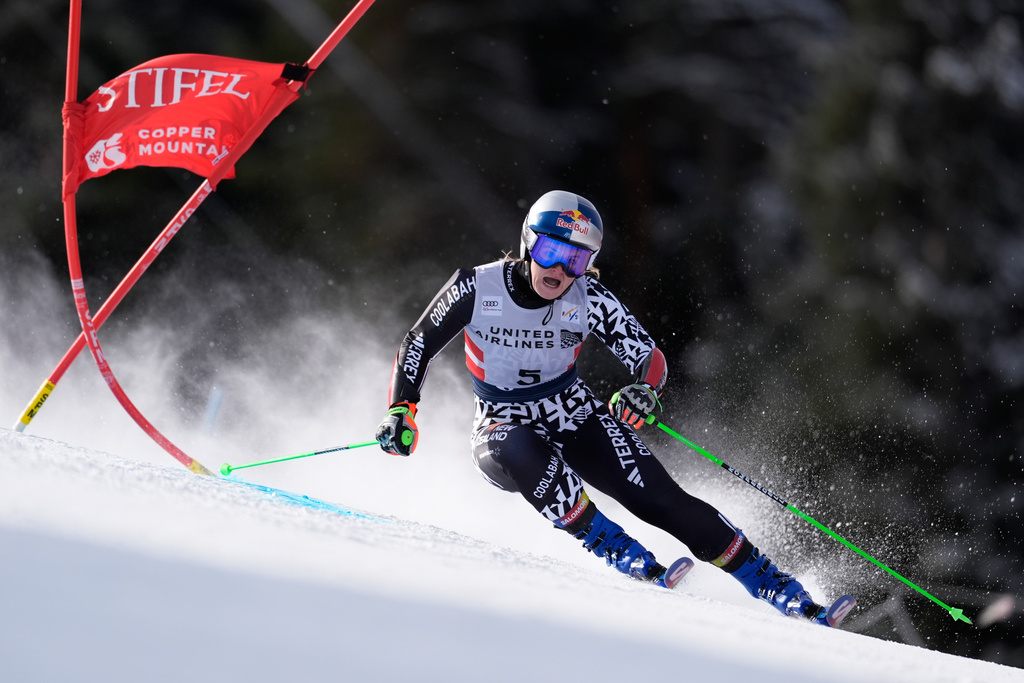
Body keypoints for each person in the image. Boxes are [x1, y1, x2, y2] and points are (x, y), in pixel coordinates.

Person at [375, 190, 854, 626]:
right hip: (501, 422)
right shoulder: (476, 287)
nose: (559, 271)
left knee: (663, 501)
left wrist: (645, 390)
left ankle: (777, 587)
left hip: (573, 412)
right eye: (550, 252)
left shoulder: (589, 299)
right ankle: (613, 545)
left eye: (577, 260)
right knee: (517, 445)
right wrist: (402, 409)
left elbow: (650, 358)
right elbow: (419, 341)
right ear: (527, 243)